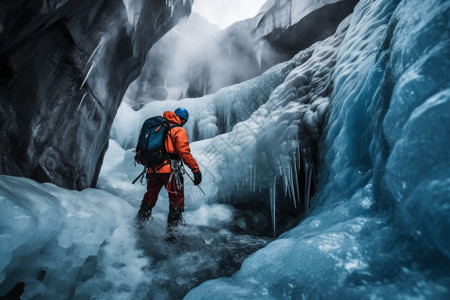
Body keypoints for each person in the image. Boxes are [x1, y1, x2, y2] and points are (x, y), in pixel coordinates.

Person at [137, 108, 202, 230]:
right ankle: (173, 234)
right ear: (182, 119)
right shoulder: (178, 130)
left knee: (149, 197)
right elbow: (184, 153)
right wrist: (195, 170)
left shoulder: (158, 127)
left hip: (152, 170)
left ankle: (140, 224)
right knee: (176, 201)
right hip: (170, 172)